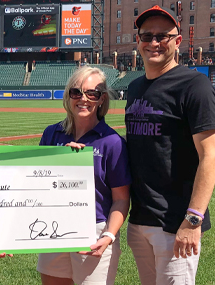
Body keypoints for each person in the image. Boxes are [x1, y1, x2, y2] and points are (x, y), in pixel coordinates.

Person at [126, 6, 215, 284]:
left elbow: (210, 156)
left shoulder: (194, 85)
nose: (154, 42)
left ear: (178, 41)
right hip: (140, 218)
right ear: (138, 41)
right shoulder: (135, 87)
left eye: (163, 36)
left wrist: (193, 220)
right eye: (147, 35)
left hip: (176, 222)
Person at [37, 66, 131, 285]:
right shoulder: (52, 134)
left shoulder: (113, 142)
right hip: (54, 224)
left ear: (101, 99)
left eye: (92, 93)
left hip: (95, 230)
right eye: (76, 92)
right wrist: (61, 161)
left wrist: (108, 236)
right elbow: (36, 183)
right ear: (69, 96)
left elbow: (121, 199)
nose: (83, 99)